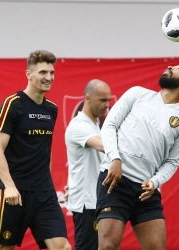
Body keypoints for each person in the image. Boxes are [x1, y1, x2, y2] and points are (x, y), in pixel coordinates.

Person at [96, 65, 179, 250]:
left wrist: (155, 182)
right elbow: (109, 125)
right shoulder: (138, 94)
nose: (170, 67)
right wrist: (115, 159)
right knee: (107, 246)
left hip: (146, 191)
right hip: (114, 182)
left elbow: (172, 162)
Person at [0, 50, 71, 250]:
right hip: (15, 193)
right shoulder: (12, 105)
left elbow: (46, 150)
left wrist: (47, 183)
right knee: (4, 248)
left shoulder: (51, 109)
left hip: (44, 194)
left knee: (63, 247)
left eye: (52, 73)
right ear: (29, 74)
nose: (49, 77)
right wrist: (9, 186)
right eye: (43, 72)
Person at [64, 79, 111, 250]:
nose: (107, 105)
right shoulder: (80, 125)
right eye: (103, 100)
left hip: (96, 200)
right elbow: (103, 146)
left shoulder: (95, 124)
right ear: (88, 98)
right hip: (86, 203)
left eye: (108, 100)